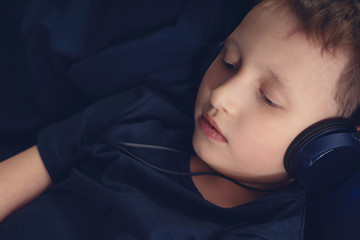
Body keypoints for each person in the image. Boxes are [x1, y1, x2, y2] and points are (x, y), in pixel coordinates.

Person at [0, 0, 359, 239]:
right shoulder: (133, 114)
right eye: (228, 61)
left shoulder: (261, 230)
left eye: (268, 98)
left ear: (329, 145)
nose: (220, 97)